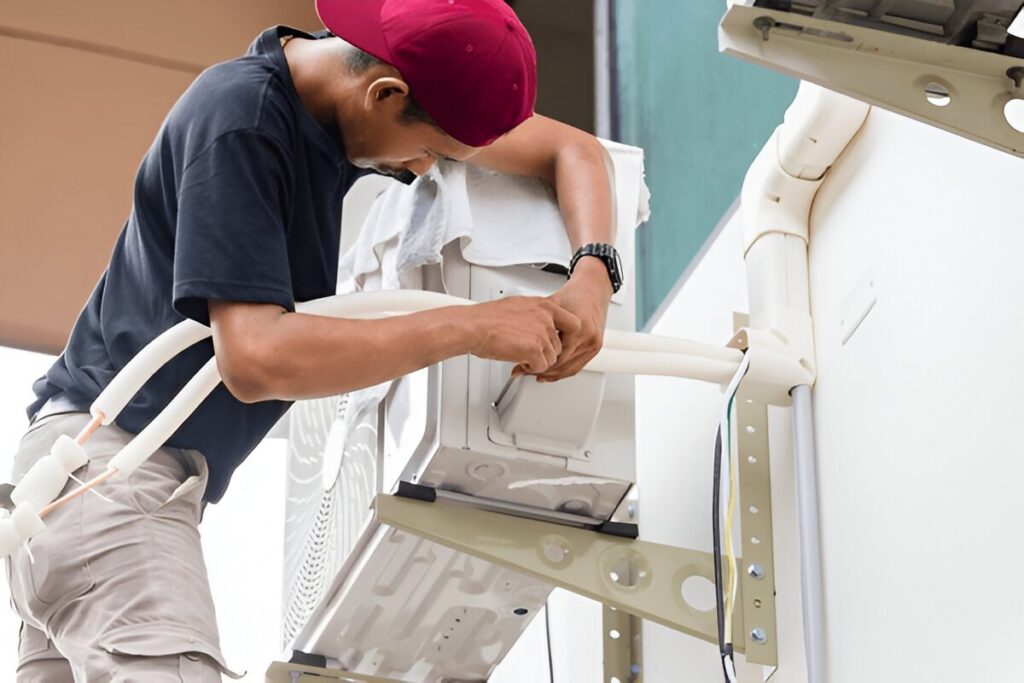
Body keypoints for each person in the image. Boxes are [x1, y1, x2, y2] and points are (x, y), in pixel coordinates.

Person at [5, 0, 622, 679]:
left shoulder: (331, 110)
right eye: (434, 152)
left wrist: (592, 275)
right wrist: (475, 326)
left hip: (80, 491)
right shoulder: (241, 121)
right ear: (385, 94)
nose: (424, 170)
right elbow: (256, 358)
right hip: (112, 475)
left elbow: (573, 151)